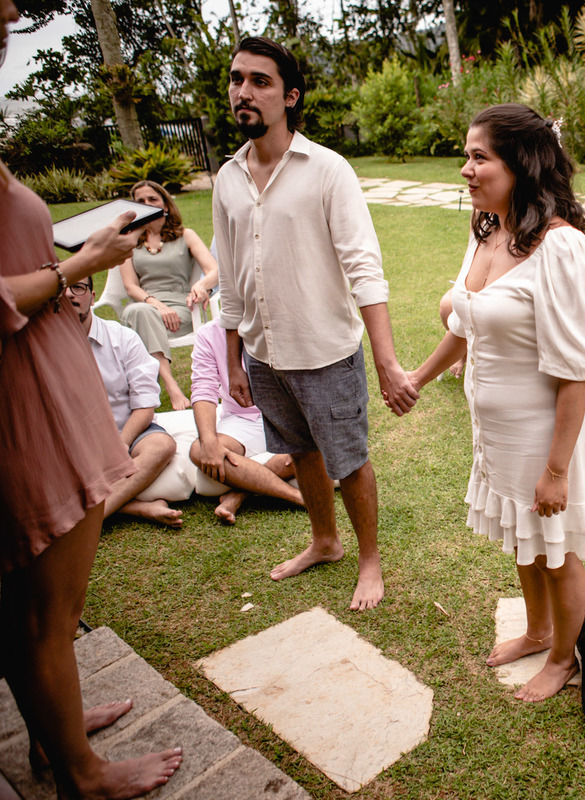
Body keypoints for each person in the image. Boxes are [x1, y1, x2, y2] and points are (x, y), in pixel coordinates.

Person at [0, 3, 184, 793]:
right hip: (24, 398)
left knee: (35, 600)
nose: (12, 12)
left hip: (41, 372)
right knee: (47, 601)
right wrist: (78, 268)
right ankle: (79, 771)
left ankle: (55, 731)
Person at [406, 103, 585, 702]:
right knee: (524, 539)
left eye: (479, 157)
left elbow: (577, 372)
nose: (466, 170)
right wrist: (420, 378)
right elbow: (468, 322)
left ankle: (561, 658)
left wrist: (556, 470)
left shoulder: (562, 249)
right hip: (494, 428)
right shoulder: (487, 228)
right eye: (466, 156)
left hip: (548, 431)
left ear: (520, 164)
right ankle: (537, 629)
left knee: (560, 551)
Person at [213, 36, 418, 611]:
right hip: (264, 353)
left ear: (290, 96)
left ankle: (369, 560)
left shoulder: (328, 169)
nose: (243, 92)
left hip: (326, 348)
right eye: (237, 79)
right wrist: (234, 360)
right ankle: (324, 542)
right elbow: (229, 279)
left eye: (260, 81)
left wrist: (386, 360)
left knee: (347, 460)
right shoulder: (227, 179)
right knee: (300, 452)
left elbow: (364, 269)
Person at [67, 275, 183, 527]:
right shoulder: (44, 347)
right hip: (75, 440)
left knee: (161, 446)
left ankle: (90, 522)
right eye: (62, 289)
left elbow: (145, 404)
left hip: (128, 431)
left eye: (78, 287)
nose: (69, 295)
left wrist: (120, 445)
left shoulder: (123, 338)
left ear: (92, 295)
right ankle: (135, 508)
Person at [188, 320, 303, 524]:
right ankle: (295, 496)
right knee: (200, 449)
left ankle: (238, 495)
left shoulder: (282, 322)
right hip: (241, 418)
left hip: (288, 415)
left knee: (313, 453)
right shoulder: (209, 333)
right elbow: (203, 388)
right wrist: (208, 440)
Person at [117, 180, 219, 411]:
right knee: (140, 312)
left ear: (165, 204)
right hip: (144, 305)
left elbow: (214, 271)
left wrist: (202, 285)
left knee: (141, 316)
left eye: (152, 199)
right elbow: (130, 286)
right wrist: (156, 305)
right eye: (140, 201)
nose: (146, 204)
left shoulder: (186, 235)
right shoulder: (129, 241)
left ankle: (156, 390)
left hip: (179, 311)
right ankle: (172, 387)